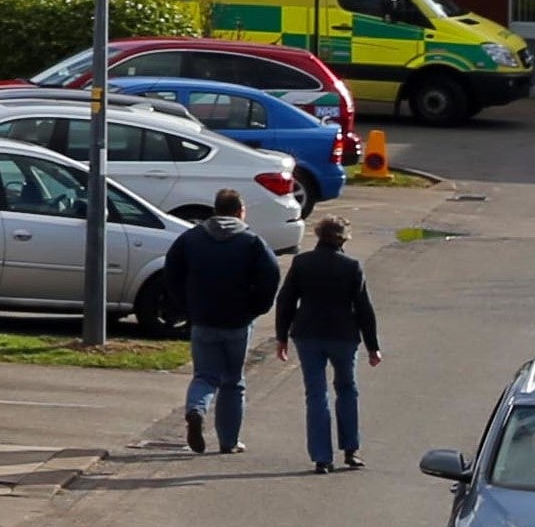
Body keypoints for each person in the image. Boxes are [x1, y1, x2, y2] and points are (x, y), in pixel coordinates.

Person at [153, 189, 282, 455]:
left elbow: (172, 272)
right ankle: (229, 440)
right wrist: (256, 308)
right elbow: (270, 277)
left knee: (204, 375)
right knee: (233, 381)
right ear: (240, 211)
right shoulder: (252, 242)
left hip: (202, 319)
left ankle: (196, 410)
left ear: (215, 210)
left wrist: (186, 306)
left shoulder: (191, 239)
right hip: (238, 322)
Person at [269, 212, 385, 474]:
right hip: (343, 336)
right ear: (343, 239)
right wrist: (372, 345)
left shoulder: (302, 263)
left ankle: (322, 457)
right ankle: (351, 449)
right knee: (347, 389)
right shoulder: (352, 266)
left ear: (319, 236)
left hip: (308, 334)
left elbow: (285, 301)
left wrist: (281, 336)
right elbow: (364, 308)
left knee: (316, 394)